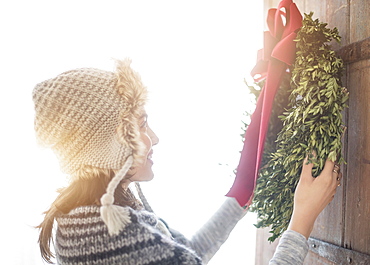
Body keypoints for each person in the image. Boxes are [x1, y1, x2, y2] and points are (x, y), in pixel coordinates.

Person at [33, 59, 342, 265]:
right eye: (141, 125)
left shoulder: (92, 215)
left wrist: (241, 191)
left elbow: (189, 254)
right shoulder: (109, 234)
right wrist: (302, 220)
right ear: (107, 141)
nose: (154, 137)